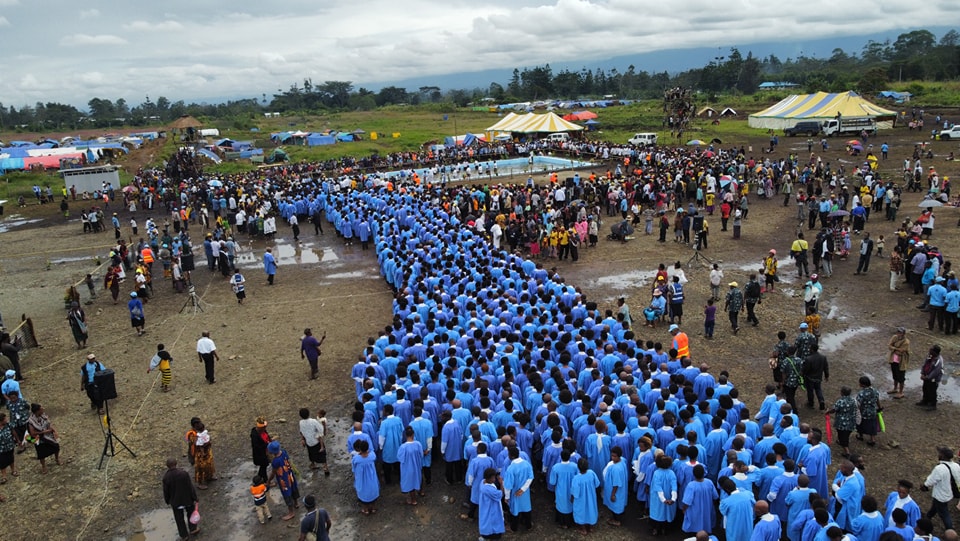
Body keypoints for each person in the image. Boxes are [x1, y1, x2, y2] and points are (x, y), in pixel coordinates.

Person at [922, 446, 960, 530]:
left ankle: (950, 530)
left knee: (944, 513)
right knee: (936, 505)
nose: (938, 455)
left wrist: (924, 486)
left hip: (941, 495)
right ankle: (928, 516)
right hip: (949, 493)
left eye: (939, 453)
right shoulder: (956, 466)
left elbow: (931, 481)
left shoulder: (939, 468)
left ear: (943, 456)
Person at [162, 458, 200, 540]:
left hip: (176, 502)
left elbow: (166, 491)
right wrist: (195, 497)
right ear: (176, 464)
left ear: (167, 466)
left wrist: (167, 500)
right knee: (190, 513)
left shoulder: (166, 478)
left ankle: (184, 535)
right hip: (187, 499)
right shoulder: (183, 474)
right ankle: (193, 528)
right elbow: (190, 487)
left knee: (179, 519)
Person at [266, 440, 300, 521]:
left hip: (283, 480)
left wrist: (269, 480)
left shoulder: (275, 461)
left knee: (287, 493)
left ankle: (291, 512)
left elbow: (274, 472)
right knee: (293, 488)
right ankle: (296, 503)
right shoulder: (284, 452)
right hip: (290, 475)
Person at [27, 403, 60, 474]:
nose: (43, 409)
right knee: (41, 453)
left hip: (49, 436)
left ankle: (57, 459)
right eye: (41, 409)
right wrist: (44, 432)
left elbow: (49, 423)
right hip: (39, 438)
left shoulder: (43, 416)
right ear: (37, 411)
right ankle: (43, 466)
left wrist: (54, 431)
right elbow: (32, 433)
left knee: (56, 447)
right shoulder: (31, 421)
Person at [570, 456, 600, 535]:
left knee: (581, 511)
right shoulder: (591, 473)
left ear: (578, 467)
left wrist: (572, 498)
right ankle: (590, 527)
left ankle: (583, 529)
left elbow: (575, 492)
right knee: (591, 509)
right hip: (591, 497)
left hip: (580, 499)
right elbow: (597, 484)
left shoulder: (576, 478)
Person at [825, 387, 858, 458]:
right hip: (851, 421)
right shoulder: (853, 400)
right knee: (847, 434)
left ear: (842, 393)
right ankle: (844, 442)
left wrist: (828, 411)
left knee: (842, 435)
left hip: (841, 423)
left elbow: (834, 409)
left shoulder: (840, 401)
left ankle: (847, 452)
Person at [351, 439, 379, 515]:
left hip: (361, 478)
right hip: (371, 477)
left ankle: (365, 509)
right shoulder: (372, 456)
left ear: (359, 448)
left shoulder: (356, 459)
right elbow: (373, 456)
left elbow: (353, 469)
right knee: (372, 490)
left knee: (362, 492)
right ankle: (373, 508)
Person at [397, 426, 424, 505]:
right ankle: (421, 491)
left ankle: (413, 500)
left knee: (410, 483)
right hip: (417, 466)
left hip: (407, 468)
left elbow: (400, 458)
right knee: (418, 478)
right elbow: (421, 455)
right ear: (413, 435)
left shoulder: (403, 447)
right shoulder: (418, 444)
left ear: (406, 436)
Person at [602, 446, 628, 526]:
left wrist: (613, 494)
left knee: (615, 504)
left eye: (615, 456)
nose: (612, 458)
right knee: (619, 503)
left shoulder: (616, 468)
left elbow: (616, 484)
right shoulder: (622, 461)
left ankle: (617, 520)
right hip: (621, 489)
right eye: (612, 455)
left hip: (615, 490)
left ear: (619, 456)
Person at [187, 418, 216, 489]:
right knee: (200, 467)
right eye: (198, 424)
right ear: (194, 425)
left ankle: (209, 477)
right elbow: (194, 443)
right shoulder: (192, 433)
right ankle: (199, 483)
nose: (200, 424)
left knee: (209, 464)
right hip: (199, 454)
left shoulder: (202, 428)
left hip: (207, 451)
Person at [478, 467, 506, 540]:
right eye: (493, 477)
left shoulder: (482, 482)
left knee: (485, 520)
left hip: (485, 507)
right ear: (490, 478)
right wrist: (501, 484)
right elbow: (500, 494)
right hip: (492, 509)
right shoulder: (489, 490)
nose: (494, 479)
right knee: (493, 524)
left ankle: (485, 535)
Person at [298, 407, 327, 473]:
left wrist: (302, 439)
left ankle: (313, 464)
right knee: (322, 454)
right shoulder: (313, 421)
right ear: (309, 413)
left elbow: (301, 432)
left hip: (308, 441)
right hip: (316, 441)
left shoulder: (301, 422)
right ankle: (325, 467)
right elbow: (321, 429)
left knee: (311, 453)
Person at [855, 376, 881, 446]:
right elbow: (877, 400)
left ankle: (860, 436)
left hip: (863, 412)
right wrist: (880, 407)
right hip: (873, 411)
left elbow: (858, 404)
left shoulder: (861, 393)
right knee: (872, 425)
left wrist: (857, 412)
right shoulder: (875, 391)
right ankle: (872, 439)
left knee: (860, 424)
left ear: (863, 384)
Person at [802, 343, 829, 410]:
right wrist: (826, 376)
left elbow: (806, 369)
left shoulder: (808, 359)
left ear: (812, 349)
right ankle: (821, 401)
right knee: (818, 389)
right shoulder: (823, 357)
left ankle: (811, 403)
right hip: (818, 377)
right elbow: (826, 367)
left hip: (810, 378)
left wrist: (802, 375)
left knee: (810, 391)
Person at [917, 345, 944, 410]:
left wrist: (928, 377)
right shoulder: (930, 356)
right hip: (926, 376)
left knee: (932, 391)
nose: (929, 350)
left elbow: (936, 372)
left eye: (931, 350)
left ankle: (933, 405)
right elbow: (925, 364)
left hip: (933, 379)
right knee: (925, 388)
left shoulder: (939, 361)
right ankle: (925, 401)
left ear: (935, 352)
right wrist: (922, 373)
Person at [887, 327, 910, 399]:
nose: (899, 334)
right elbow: (889, 346)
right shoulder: (894, 337)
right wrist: (896, 349)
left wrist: (894, 348)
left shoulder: (906, 342)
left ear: (903, 334)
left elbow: (902, 351)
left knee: (901, 376)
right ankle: (895, 388)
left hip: (901, 361)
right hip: (893, 359)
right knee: (895, 374)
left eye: (900, 332)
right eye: (898, 332)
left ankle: (901, 392)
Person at [250, 416, 272, 481]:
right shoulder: (255, 435)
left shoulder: (263, 431)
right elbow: (256, 446)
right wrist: (266, 444)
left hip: (266, 451)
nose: (264, 428)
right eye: (263, 427)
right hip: (260, 454)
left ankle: (259, 478)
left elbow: (267, 437)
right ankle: (266, 481)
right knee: (264, 465)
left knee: (264, 466)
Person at [0, 413, 19, 484]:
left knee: (11, 458)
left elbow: (13, 432)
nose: (6, 419)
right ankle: (4, 476)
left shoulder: (8, 425)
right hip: (1, 448)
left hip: (10, 445)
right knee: (2, 462)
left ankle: (13, 470)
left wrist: (18, 440)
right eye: (5, 419)